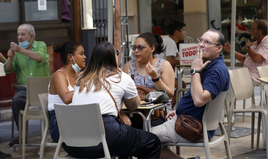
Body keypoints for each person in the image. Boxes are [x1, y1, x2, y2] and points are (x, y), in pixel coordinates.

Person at [67, 41, 161, 158]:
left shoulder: (81, 77)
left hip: (72, 142)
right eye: (116, 53)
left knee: (125, 138)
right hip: (104, 139)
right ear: (113, 58)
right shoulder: (122, 77)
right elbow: (133, 106)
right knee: (152, 142)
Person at [151, 29, 230, 159]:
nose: (201, 45)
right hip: (185, 120)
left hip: (192, 128)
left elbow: (199, 100)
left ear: (219, 48)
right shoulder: (208, 65)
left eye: (207, 42)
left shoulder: (216, 70)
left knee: (143, 140)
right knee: (147, 141)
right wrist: (178, 112)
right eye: (201, 40)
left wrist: (195, 71)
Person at [4, 24, 50, 147]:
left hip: (43, 91)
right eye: (18, 34)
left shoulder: (41, 45)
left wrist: (20, 50)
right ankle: (22, 135)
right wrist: (10, 58)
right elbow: (8, 69)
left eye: (23, 34)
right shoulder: (16, 51)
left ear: (31, 36)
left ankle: (55, 133)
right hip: (24, 91)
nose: (20, 37)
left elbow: (40, 57)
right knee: (16, 100)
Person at [48, 41, 86, 143]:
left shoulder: (78, 75)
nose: (85, 57)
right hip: (60, 124)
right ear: (70, 57)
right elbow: (66, 98)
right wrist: (86, 87)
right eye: (81, 54)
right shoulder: (59, 75)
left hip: (75, 119)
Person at [224, 19, 268, 95]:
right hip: (246, 73)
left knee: (229, 83)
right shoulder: (256, 42)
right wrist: (231, 51)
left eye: (253, 29)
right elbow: (245, 59)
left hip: (257, 77)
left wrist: (248, 48)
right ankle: (226, 106)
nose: (251, 31)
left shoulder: (266, 41)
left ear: (260, 31)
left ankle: (229, 106)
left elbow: (256, 59)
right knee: (224, 79)